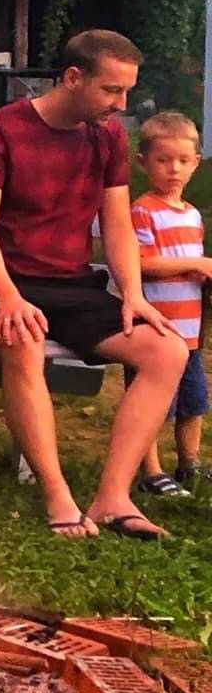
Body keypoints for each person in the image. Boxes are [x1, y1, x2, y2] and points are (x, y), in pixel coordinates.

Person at [0, 30, 189, 539]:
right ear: (73, 77)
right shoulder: (1, 130)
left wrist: (133, 295)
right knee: (22, 338)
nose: (121, 105)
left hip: (72, 285)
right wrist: (8, 297)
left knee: (167, 351)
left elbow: (118, 225)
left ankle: (113, 497)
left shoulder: (108, 136)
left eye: (126, 92)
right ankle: (58, 494)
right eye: (111, 91)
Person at [127, 111, 210, 498]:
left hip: (190, 336)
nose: (173, 169)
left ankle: (189, 464)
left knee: (193, 403)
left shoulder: (192, 215)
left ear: (196, 162)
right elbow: (143, 265)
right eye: (162, 160)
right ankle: (151, 470)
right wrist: (196, 264)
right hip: (154, 335)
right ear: (143, 162)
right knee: (152, 406)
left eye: (182, 160)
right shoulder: (143, 210)